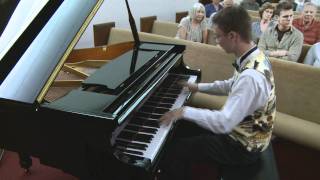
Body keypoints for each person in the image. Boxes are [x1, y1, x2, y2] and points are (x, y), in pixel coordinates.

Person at [158, 6, 276, 180]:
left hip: (242, 146)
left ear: (232, 36)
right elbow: (230, 85)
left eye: (218, 35)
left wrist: (183, 111)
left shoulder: (250, 77)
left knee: (176, 150)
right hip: (246, 132)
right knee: (180, 130)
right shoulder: (255, 56)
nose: (216, 40)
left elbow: (224, 123)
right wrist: (198, 87)